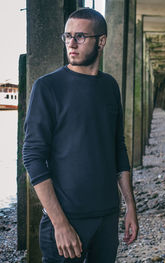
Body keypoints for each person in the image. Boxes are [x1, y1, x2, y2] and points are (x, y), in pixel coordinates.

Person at [22, 8, 138, 262]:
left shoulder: (110, 87)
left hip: (107, 218)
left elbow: (118, 148)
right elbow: (32, 157)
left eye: (81, 36)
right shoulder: (47, 87)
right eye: (67, 36)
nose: (71, 44)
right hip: (67, 220)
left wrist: (130, 206)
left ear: (101, 41)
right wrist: (60, 224)